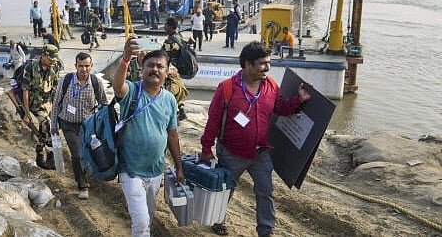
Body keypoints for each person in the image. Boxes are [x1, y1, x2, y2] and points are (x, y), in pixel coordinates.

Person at [200, 41, 311, 236]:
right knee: (226, 190)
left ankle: (265, 230)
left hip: (261, 153)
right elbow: (214, 121)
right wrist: (206, 149)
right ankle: (218, 220)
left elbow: (281, 108)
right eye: (262, 63)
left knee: (265, 192)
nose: (267, 67)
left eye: (268, 62)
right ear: (247, 64)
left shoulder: (271, 86)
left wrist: (298, 100)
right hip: (232, 153)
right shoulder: (226, 89)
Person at [113, 41, 185, 237]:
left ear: (168, 71)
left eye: (160, 66)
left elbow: (172, 134)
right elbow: (118, 85)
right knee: (142, 221)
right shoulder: (132, 91)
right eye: (150, 65)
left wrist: (179, 166)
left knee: (149, 215)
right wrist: (126, 58)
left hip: (155, 171)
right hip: (130, 170)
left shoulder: (169, 99)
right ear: (142, 68)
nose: (155, 69)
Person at [50, 52, 108, 200]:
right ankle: (82, 185)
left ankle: (90, 174)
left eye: (87, 66)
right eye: (81, 66)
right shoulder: (66, 80)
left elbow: (103, 104)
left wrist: (103, 125)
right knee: (77, 155)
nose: (84, 69)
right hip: (68, 125)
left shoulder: (95, 82)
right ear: (75, 66)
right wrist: (54, 123)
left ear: (91, 66)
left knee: (89, 153)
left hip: (87, 127)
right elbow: (57, 102)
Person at [22, 44, 61, 169]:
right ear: (43, 55)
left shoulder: (55, 67)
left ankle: (39, 154)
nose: (53, 62)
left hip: (49, 103)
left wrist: (57, 108)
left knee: (47, 128)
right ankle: (51, 156)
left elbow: (55, 89)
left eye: (54, 59)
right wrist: (27, 114)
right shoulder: (31, 67)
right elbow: (25, 91)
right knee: (48, 126)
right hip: (36, 104)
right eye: (50, 59)